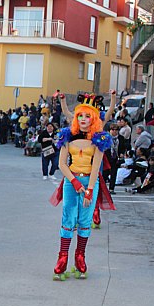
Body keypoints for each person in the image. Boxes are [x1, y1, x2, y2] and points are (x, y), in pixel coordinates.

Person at [50, 94, 114, 280]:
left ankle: (80, 257)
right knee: (68, 218)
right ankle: (62, 258)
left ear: (93, 118)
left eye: (87, 116)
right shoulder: (67, 136)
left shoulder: (99, 139)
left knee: (85, 219)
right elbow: (62, 164)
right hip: (71, 182)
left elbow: (96, 167)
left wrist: (90, 190)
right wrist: (75, 182)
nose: (83, 120)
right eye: (80, 116)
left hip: (89, 182)